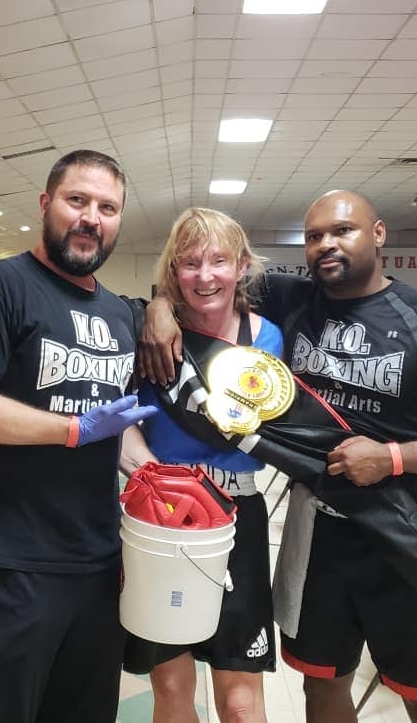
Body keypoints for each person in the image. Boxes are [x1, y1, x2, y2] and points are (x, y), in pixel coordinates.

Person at [142, 190, 417, 723]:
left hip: (404, 526)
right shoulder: (290, 297)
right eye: (314, 236)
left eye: (343, 231)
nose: (326, 245)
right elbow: (198, 279)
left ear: (378, 234)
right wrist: (157, 308)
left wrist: (393, 457)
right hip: (317, 529)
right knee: (322, 686)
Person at [0, 149, 156, 723]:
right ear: (45, 204)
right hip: (14, 559)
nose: (91, 218)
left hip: (99, 557)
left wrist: (154, 476)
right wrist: (73, 430)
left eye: (107, 208)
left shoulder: (118, 313)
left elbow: (116, 423)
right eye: (77, 200)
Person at [120, 208, 280, 723]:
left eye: (218, 261)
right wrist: (158, 483)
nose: (205, 275)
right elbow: (120, 418)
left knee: (240, 702)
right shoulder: (148, 336)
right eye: (190, 263)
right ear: (174, 270)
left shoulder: (269, 338)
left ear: (242, 265)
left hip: (237, 516)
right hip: (161, 519)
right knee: (171, 689)